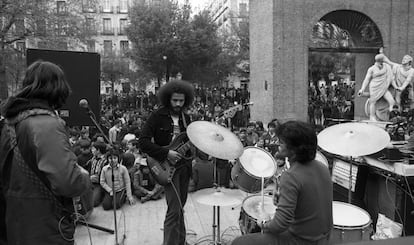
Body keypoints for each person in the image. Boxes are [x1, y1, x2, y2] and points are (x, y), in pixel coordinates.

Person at [0, 60, 91, 244]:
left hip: (15, 223)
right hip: (46, 227)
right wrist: (84, 176)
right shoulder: (47, 125)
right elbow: (69, 183)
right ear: (59, 87)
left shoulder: (9, 123)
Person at [232, 121, 333, 245]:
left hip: (302, 240)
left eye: (281, 142)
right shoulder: (322, 167)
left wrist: (263, 221)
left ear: (295, 149)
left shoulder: (291, 176)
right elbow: (309, 201)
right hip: (323, 237)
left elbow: (280, 225)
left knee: (239, 242)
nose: (278, 144)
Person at [138, 79, 194, 245]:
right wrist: (166, 153)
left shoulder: (187, 118)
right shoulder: (157, 116)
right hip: (166, 167)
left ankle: (180, 241)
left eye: (181, 101)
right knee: (173, 210)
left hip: (184, 167)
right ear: (167, 98)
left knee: (179, 208)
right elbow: (143, 142)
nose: (178, 104)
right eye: (174, 100)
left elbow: (190, 143)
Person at [358, 54, 395, 121]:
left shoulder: (386, 67)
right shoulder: (371, 69)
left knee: (391, 101)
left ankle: (391, 116)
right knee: (373, 102)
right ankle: (372, 117)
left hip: (384, 86)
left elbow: (391, 76)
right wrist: (362, 89)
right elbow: (366, 79)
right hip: (374, 87)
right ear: (380, 60)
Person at [88, 141, 108, 206]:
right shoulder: (92, 159)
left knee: (94, 203)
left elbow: (107, 177)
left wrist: (98, 178)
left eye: (93, 149)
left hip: (100, 184)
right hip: (90, 182)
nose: (91, 150)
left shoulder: (105, 161)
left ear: (98, 150)